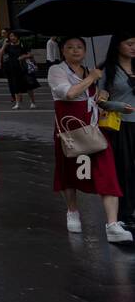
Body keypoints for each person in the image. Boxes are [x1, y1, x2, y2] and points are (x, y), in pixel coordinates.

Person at [49, 36, 131, 242]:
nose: (75, 51)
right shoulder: (57, 71)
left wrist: (115, 105)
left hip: (93, 131)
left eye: (79, 47)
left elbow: (98, 101)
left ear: (85, 51)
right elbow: (69, 93)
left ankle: (112, 224)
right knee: (70, 172)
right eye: (70, 47)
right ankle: (72, 211)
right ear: (62, 51)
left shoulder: (89, 71)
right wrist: (92, 78)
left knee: (107, 171)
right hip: (70, 130)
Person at [101, 31, 135, 229]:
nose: (133, 47)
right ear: (118, 45)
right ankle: (126, 212)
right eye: (129, 43)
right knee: (126, 170)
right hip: (121, 125)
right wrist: (118, 106)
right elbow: (100, 100)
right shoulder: (108, 69)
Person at [0, 30, 36, 109]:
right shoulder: (8, 46)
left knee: (28, 86)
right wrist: (4, 45)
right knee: (16, 86)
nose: (12, 38)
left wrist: (24, 56)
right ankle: (17, 103)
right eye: (11, 36)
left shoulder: (23, 44)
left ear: (17, 37)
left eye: (14, 36)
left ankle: (32, 102)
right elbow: (1, 53)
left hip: (23, 67)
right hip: (13, 67)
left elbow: (31, 54)